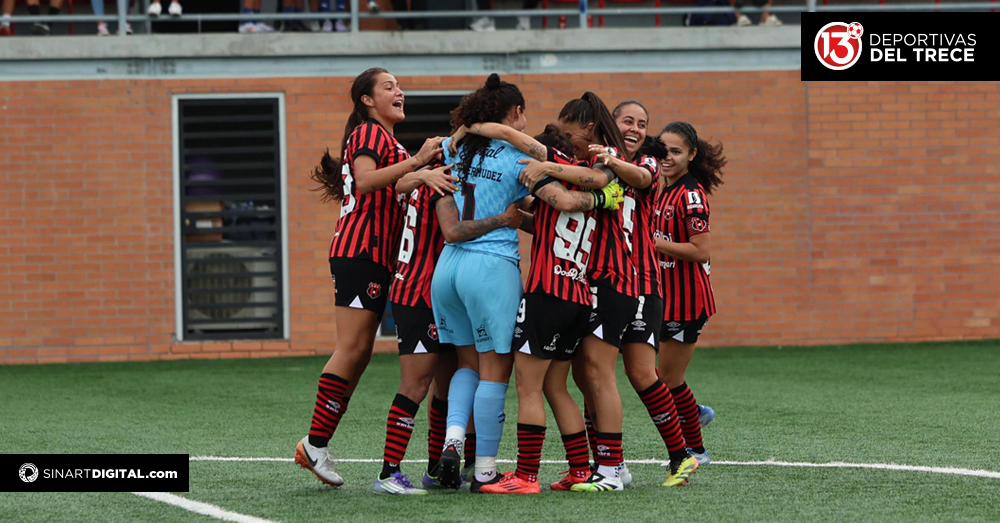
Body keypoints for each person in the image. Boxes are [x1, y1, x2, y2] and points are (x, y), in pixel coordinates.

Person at [447, 123, 622, 494]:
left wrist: (475, 127)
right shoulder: (591, 185)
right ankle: (578, 469)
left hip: (546, 295)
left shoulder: (548, 183)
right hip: (577, 296)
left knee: (528, 388)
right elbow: (549, 220)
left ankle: (525, 477)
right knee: (556, 388)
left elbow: (555, 203)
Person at [294, 67, 446, 488]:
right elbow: (363, 183)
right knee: (353, 347)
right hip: (360, 253)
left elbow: (395, 186)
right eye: (389, 86)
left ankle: (317, 445)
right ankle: (314, 444)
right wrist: (417, 163)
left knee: (359, 354)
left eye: (400, 85)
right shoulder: (369, 134)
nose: (400, 91)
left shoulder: (389, 141)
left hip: (377, 258)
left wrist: (419, 170)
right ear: (366, 99)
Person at [517, 92, 652, 492]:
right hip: (587, 281)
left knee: (598, 373)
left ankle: (609, 468)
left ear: (587, 127)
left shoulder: (605, 157)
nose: (561, 133)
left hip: (614, 279)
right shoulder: (584, 163)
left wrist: (546, 168)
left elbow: (615, 180)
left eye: (565, 126)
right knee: (579, 375)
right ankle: (604, 466)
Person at [373, 163, 524, 495]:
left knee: (449, 379)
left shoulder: (435, 173)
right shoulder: (444, 174)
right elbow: (452, 229)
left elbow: (402, 183)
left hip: (434, 286)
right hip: (418, 289)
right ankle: (388, 472)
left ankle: (437, 467)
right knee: (418, 383)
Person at [431, 73, 538, 493]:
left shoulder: (452, 148)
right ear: (513, 114)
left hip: (448, 269)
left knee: (466, 365)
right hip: (491, 266)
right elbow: (543, 159)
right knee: (496, 369)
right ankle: (485, 471)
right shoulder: (517, 157)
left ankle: (454, 439)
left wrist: (467, 128)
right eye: (522, 113)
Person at [611, 100, 700, 487]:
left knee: (649, 374)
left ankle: (685, 449)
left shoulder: (646, 166)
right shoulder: (611, 161)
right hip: (613, 282)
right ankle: (614, 463)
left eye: (641, 123)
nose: (635, 128)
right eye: (627, 121)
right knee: (609, 372)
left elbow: (702, 250)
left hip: (650, 287)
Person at [654, 121, 726, 470]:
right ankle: (694, 410)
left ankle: (697, 449)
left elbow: (701, 251)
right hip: (664, 297)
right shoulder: (661, 187)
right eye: (663, 150)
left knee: (666, 378)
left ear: (691, 155)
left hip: (688, 301)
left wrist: (654, 244)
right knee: (660, 375)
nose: (667, 157)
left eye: (676, 151)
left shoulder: (691, 195)